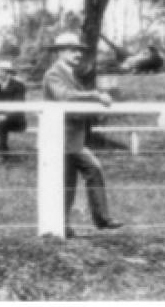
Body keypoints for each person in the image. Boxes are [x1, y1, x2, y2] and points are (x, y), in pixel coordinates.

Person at [43, 32, 123, 238]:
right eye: (72, 50)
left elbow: (76, 104)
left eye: (79, 50)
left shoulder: (70, 74)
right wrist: (95, 95)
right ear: (59, 52)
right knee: (86, 172)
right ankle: (97, 220)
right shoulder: (54, 74)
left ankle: (72, 224)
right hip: (61, 139)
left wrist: (93, 111)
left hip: (72, 138)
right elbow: (65, 97)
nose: (78, 54)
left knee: (71, 181)